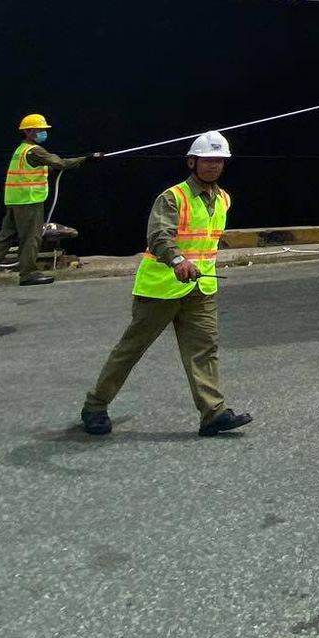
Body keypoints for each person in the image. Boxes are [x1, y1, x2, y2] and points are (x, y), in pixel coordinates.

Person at [80, 131, 251, 437]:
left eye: (219, 160)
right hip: (160, 288)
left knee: (204, 351)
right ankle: (95, 406)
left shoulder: (224, 199)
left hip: (201, 290)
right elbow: (159, 236)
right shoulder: (173, 197)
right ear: (192, 162)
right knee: (130, 350)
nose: (213, 166)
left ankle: (213, 414)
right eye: (208, 160)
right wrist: (177, 261)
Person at [0, 114, 93, 286]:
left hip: (15, 200)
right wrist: (86, 159)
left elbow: (39, 168)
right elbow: (60, 163)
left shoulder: (21, 150)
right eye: (40, 129)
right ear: (28, 131)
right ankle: (28, 274)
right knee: (31, 238)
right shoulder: (35, 150)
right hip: (29, 201)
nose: (43, 132)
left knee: (4, 238)